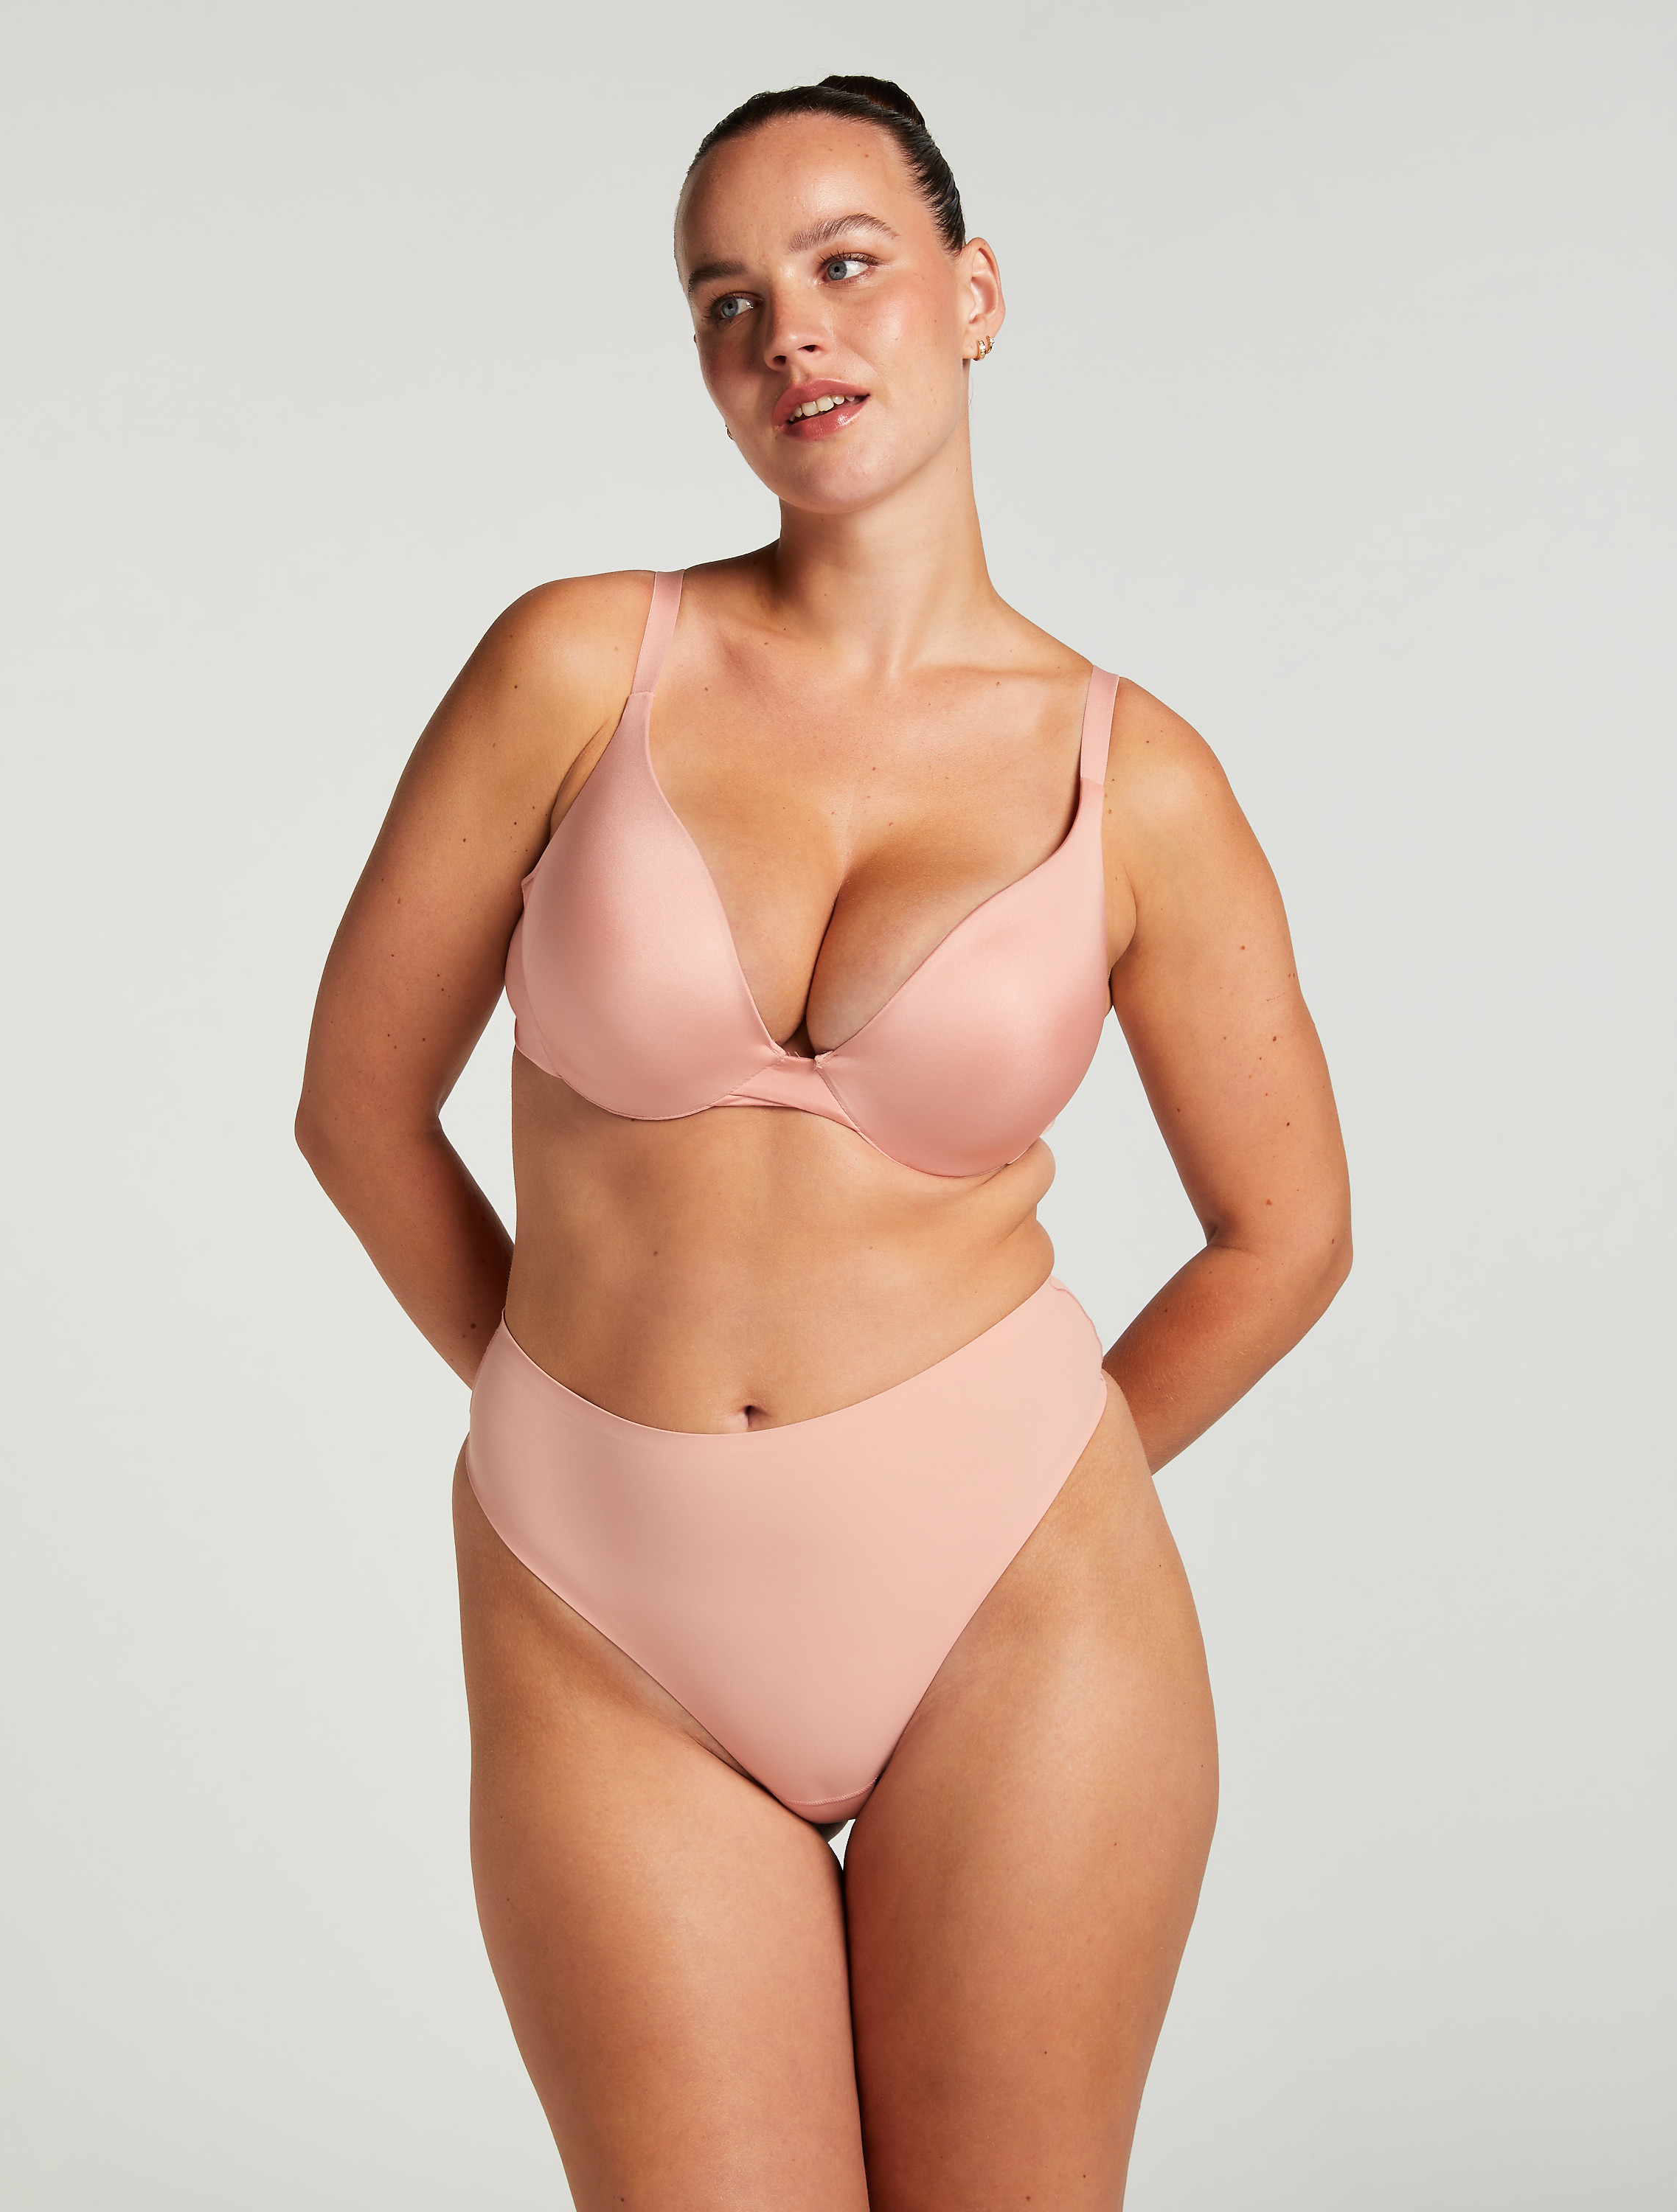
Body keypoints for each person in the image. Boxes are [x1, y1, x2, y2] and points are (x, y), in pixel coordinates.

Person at [296, 74, 1350, 2212]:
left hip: (1014, 1613)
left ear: (974, 295)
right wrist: (566, 1406)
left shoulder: (1133, 782)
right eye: (728, 299)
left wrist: (990, 1479)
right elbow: (354, 1106)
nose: (789, 329)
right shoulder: (576, 666)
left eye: (845, 264)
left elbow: (1286, 1231)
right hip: (601, 1608)